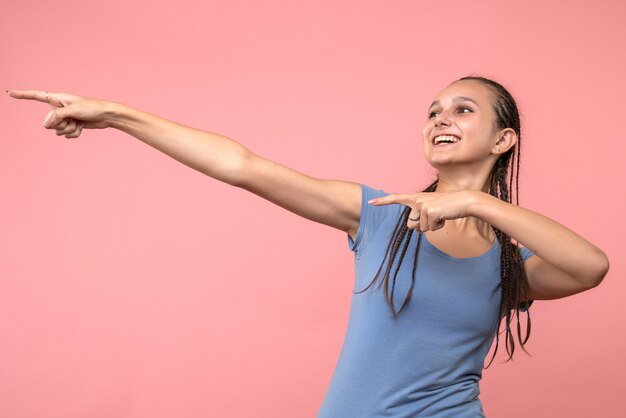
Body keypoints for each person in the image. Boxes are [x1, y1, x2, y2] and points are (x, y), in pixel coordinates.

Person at [7, 76, 610, 417]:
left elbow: (593, 266)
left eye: (461, 109)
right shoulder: (379, 216)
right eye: (431, 110)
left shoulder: (510, 264)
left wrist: (478, 204)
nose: (438, 118)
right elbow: (240, 164)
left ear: (503, 138)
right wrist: (112, 113)